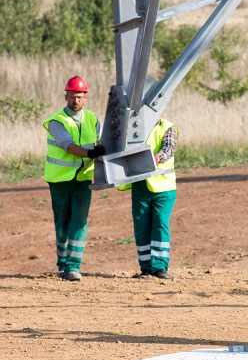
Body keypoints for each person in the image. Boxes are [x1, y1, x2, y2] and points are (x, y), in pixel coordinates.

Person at [43, 76, 105, 282]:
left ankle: (73, 266)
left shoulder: (92, 119)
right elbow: (68, 146)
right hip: (60, 180)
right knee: (62, 223)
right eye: (72, 96)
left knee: (79, 222)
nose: (75, 100)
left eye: (79, 96)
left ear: (86, 97)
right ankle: (62, 264)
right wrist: (90, 154)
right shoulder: (56, 121)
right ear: (66, 96)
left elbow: (101, 142)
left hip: (83, 180)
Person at [119, 118, 178, 280]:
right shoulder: (132, 127)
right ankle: (145, 268)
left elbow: (168, 149)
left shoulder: (166, 127)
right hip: (140, 186)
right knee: (141, 226)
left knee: (160, 224)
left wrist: (154, 160)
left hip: (163, 187)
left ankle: (160, 267)